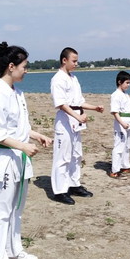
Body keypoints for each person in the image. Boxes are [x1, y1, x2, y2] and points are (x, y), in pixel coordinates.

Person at [0, 42, 52, 259]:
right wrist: (22, 146)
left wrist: (37, 135)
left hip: (19, 159)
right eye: (24, 66)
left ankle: (13, 250)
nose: (26, 70)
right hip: (4, 160)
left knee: (16, 209)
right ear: (11, 66)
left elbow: (19, 127)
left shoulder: (17, 93)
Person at [50, 47, 104, 204]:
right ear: (64, 60)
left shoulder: (73, 78)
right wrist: (77, 116)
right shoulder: (58, 79)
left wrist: (94, 108)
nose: (76, 64)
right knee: (63, 156)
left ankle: (74, 184)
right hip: (65, 120)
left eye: (77, 61)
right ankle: (60, 191)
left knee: (76, 154)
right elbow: (61, 104)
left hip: (76, 120)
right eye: (74, 61)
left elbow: (79, 101)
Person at [108, 71, 130, 178]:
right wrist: (122, 123)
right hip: (121, 123)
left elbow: (128, 111)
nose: (128, 85)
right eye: (127, 83)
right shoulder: (115, 95)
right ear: (120, 82)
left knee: (128, 145)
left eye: (129, 83)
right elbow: (115, 112)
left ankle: (125, 166)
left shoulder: (126, 95)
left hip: (129, 122)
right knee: (119, 145)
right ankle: (115, 169)